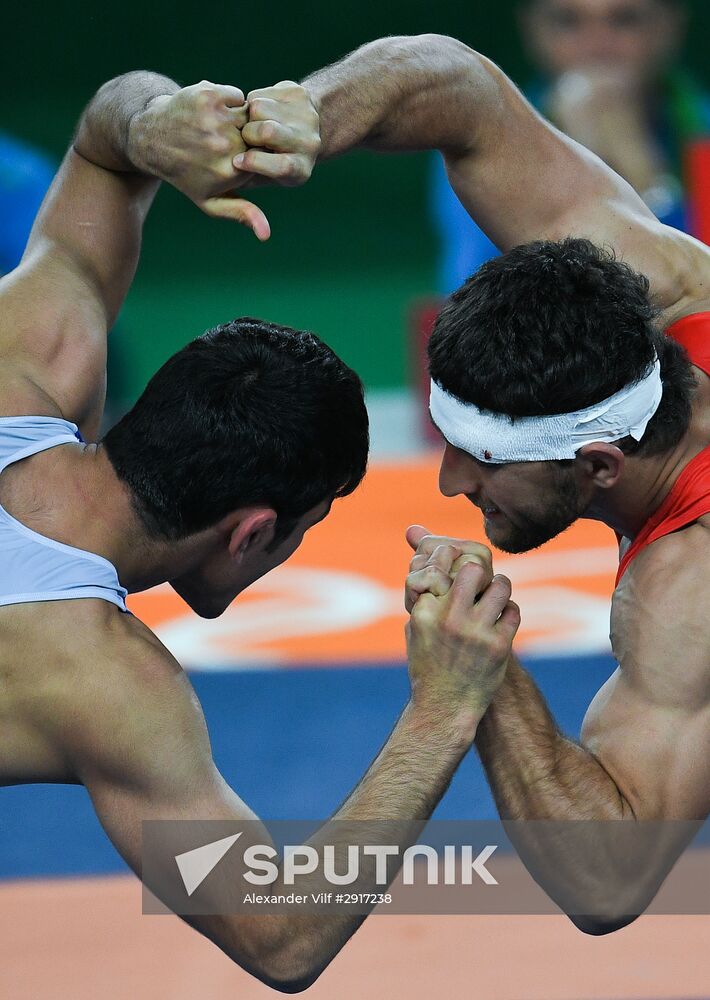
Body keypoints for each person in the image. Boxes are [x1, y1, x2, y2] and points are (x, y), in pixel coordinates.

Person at [0, 72, 520, 990]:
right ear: (250, 533)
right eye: (304, 531)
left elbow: (102, 148)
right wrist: (443, 707)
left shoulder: (28, 354)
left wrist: (155, 121)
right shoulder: (98, 681)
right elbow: (280, 935)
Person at [233, 32, 710, 931]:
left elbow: (608, 884)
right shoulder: (666, 293)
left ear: (597, 465)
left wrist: (483, 670)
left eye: (484, 458)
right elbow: (459, 85)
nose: (449, 483)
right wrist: (304, 113)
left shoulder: (691, 591)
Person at [432, 0, 710, 293]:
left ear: (670, 28)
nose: (596, 47)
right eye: (567, 22)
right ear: (532, 30)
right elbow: (478, 292)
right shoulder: (483, 139)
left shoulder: (700, 126)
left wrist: (641, 169)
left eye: (625, 20)